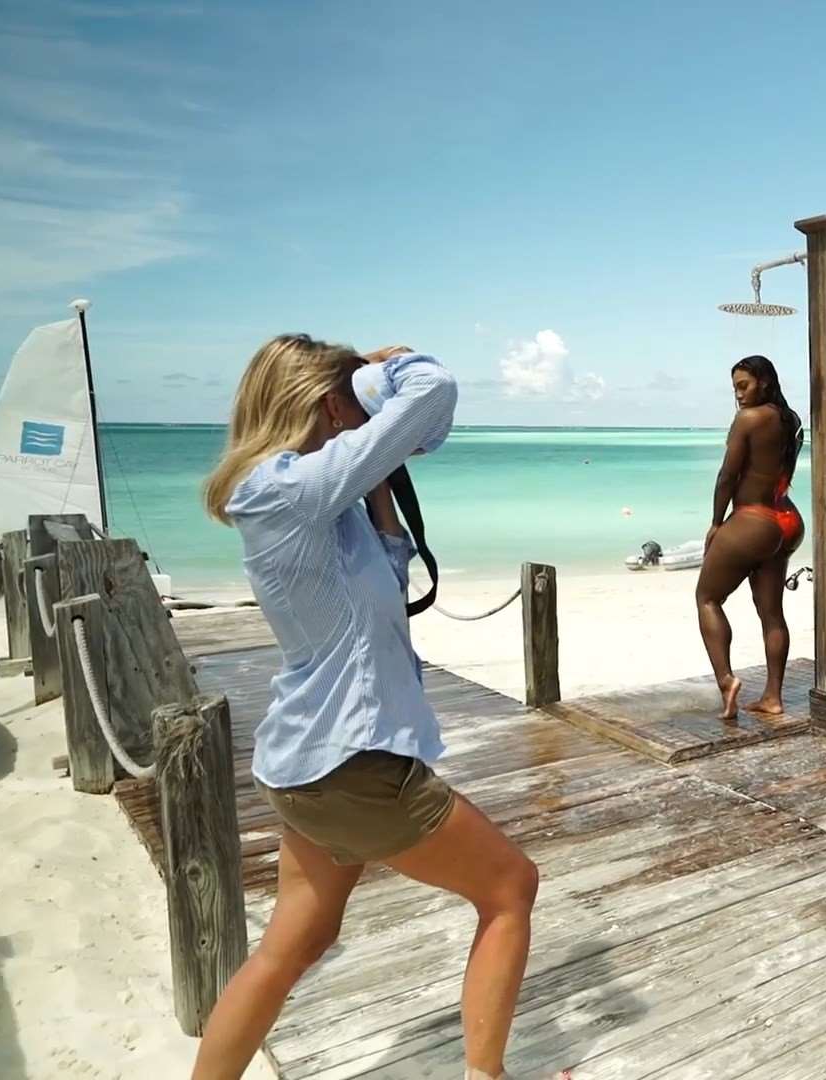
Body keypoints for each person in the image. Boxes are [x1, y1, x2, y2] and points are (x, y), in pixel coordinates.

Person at [195, 336, 541, 1080]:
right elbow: (433, 394)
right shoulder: (286, 488)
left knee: (294, 945)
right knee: (511, 887)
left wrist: (378, 465)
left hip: (311, 763)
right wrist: (392, 369)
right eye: (353, 407)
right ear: (328, 406)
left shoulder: (318, 502)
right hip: (354, 766)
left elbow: (389, 567)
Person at [697, 354, 806, 720]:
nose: (739, 395)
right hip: (786, 519)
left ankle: (726, 681)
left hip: (754, 519)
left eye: (744, 386)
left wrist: (716, 523)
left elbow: (727, 476)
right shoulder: (790, 420)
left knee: (708, 598)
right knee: (771, 613)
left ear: (764, 381)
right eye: (735, 389)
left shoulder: (749, 419)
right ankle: (772, 697)